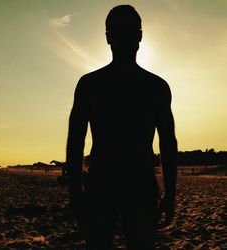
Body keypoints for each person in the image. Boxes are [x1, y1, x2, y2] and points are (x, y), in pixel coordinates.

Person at [66, 5, 177, 250]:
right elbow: (168, 143)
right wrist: (170, 193)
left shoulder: (91, 85)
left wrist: (75, 193)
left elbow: (76, 142)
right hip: (119, 185)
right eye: (120, 33)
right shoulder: (154, 86)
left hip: (118, 185)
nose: (125, 39)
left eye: (128, 32)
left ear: (138, 36)